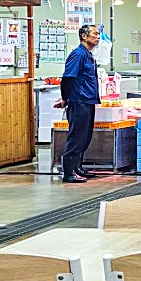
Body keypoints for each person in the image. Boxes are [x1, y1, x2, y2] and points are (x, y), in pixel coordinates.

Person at [57, 24, 101, 184]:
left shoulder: (88, 55)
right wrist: (65, 98)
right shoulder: (78, 54)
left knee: (85, 137)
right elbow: (67, 78)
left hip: (88, 100)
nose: (98, 37)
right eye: (95, 34)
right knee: (76, 137)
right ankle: (68, 172)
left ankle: (78, 167)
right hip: (79, 100)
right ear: (84, 36)